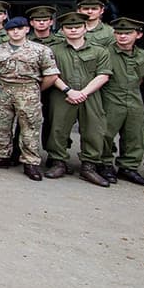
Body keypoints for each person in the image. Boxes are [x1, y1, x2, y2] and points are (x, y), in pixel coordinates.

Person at [0, 16, 60, 181]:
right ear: (7, 32)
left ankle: (30, 162)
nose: (15, 32)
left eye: (19, 28)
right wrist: (3, 83)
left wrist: (36, 89)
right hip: (4, 90)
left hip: (28, 90)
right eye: (12, 29)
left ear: (27, 29)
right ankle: (1, 156)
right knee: (1, 125)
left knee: (30, 127)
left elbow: (51, 75)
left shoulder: (40, 50)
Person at [43, 11, 113, 186]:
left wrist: (83, 93)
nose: (73, 30)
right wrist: (69, 91)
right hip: (61, 94)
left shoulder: (99, 50)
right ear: (62, 30)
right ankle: (58, 162)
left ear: (85, 29)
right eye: (69, 27)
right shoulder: (53, 50)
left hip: (91, 95)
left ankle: (89, 166)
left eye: (77, 27)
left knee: (94, 130)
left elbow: (103, 75)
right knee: (58, 128)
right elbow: (50, 73)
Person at [98, 18, 144, 186]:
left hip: (134, 97)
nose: (122, 36)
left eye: (128, 33)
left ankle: (128, 167)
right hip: (110, 96)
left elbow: (142, 78)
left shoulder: (143, 55)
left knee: (134, 134)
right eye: (119, 33)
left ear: (138, 35)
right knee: (105, 133)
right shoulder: (105, 52)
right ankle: (104, 164)